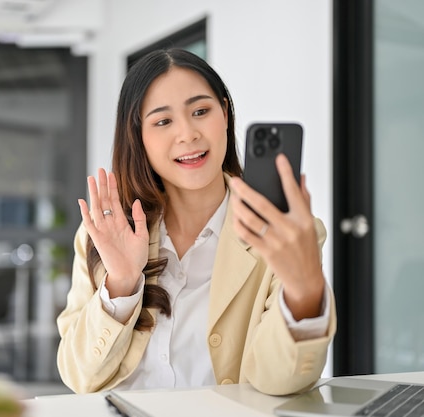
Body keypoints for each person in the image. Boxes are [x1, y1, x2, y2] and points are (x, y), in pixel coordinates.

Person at [56, 48, 336, 396]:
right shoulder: (107, 233)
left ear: (225, 113)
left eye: (201, 111)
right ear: (138, 137)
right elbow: (79, 376)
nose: (187, 133)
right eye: (163, 121)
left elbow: (280, 381)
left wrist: (305, 294)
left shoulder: (282, 234)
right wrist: (121, 284)